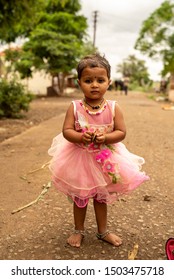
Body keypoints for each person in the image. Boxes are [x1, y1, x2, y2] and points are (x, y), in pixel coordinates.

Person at [48, 53, 149, 248]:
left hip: (106, 158)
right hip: (79, 158)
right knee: (80, 197)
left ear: (109, 82)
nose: (94, 85)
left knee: (101, 196)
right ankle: (78, 230)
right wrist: (79, 136)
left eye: (100, 80)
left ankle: (103, 231)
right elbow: (67, 130)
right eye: (88, 80)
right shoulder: (75, 107)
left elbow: (121, 132)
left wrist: (106, 137)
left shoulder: (113, 108)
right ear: (79, 83)